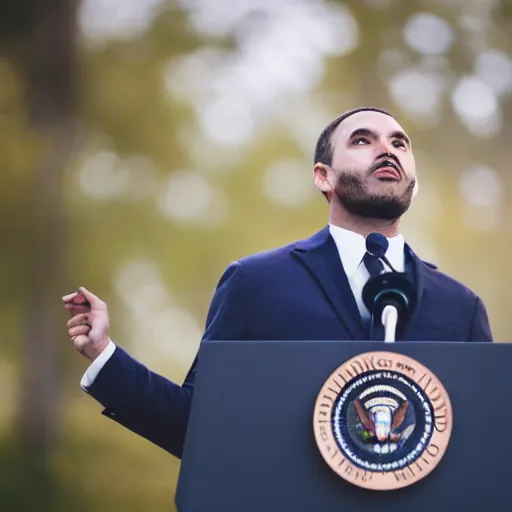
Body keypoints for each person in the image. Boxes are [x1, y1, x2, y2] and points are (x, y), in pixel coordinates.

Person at [63, 107, 493, 459]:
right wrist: (105, 356)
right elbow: (196, 427)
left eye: (399, 143)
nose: (387, 149)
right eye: (362, 140)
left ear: (412, 182)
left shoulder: (461, 307)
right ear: (322, 176)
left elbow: (487, 449)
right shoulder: (256, 284)